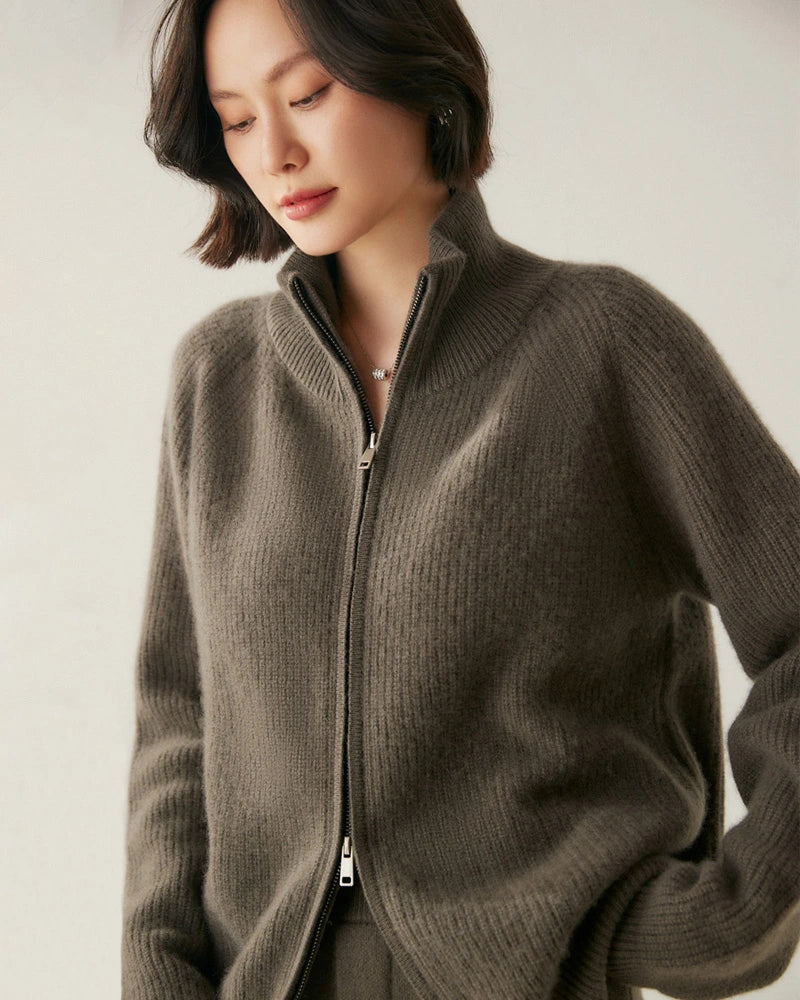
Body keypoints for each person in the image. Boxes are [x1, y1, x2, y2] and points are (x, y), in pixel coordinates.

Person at [121, 0, 800, 997]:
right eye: (236, 118)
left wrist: (731, 912)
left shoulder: (602, 341)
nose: (275, 152)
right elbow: (180, 722)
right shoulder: (220, 380)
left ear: (412, 69)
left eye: (308, 94)